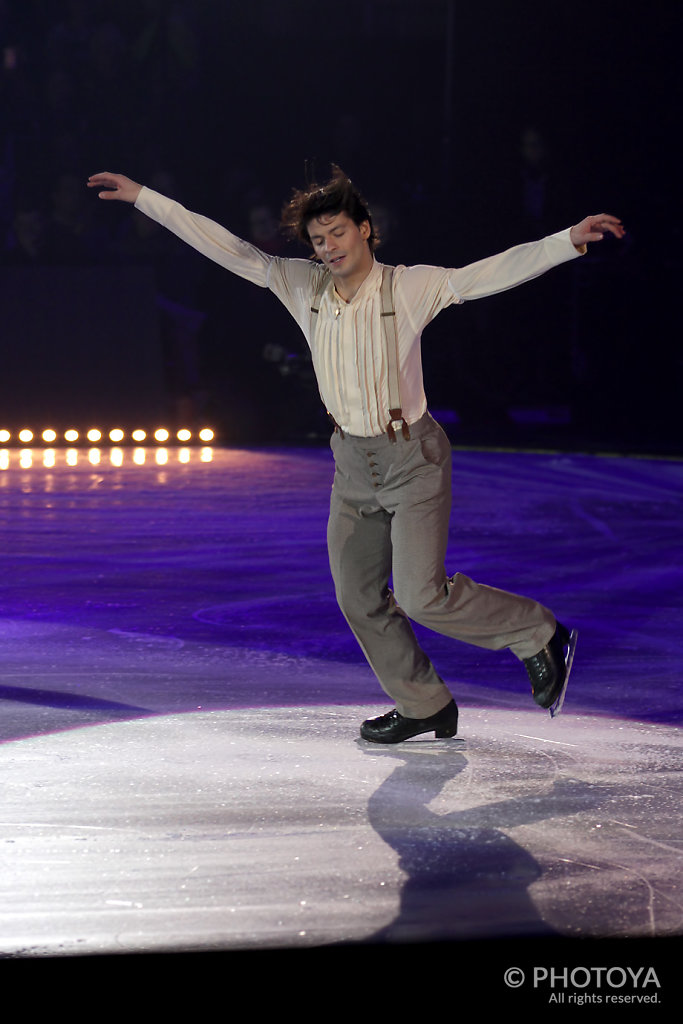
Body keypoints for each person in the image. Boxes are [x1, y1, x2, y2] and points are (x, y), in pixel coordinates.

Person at [87, 168, 624, 743]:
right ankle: (423, 703)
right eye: (318, 241)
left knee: (421, 595)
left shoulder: (408, 287)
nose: (329, 248)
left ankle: (538, 633)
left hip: (412, 458)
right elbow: (225, 246)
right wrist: (145, 199)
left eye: (338, 233)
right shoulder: (302, 287)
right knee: (357, 595)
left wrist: (564, 242)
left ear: (365, 230)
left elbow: (484, 275)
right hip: (352, 464)